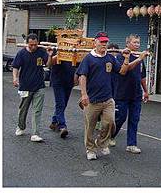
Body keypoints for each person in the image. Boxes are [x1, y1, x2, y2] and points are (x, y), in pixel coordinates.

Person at [76, 32, 130, 160]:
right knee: (90, 127)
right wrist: (83, 94)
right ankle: (90, 149)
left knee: (110, 122)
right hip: (92, 100)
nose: (104, 45)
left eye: (106, 42)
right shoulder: (88, 58)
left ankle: (101, 142)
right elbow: (82, 76)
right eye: (101, 42)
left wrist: (126, 59)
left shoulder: (110, 58)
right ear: (95, 42)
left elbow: (122, 71)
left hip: (108, 99)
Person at [110, 34, 149, 153]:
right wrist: (139, 59)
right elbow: (125, 69)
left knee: (134, 119)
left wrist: (146, 91)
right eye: (135, 42)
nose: (137, 44)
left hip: (136, 94)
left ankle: (131, 144)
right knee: (120, 117)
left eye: (138, 42)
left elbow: (142, 76)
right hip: (122, 93)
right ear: (128, 43)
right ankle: (110, 135)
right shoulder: (123, 56)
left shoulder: (139, 58)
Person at [12, 33, 53, 142]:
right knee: (23, 109)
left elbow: (48, 65)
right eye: (31, 45)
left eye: (35, 44)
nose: (33, 47)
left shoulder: (41, 52)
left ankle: (35, 133)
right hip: (25, 86)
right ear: (27, 44)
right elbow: (15, 67)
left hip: (39, 86)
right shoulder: (21, 53)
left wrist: (49, 55)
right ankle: (20, 127)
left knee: (37, 111)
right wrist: (15, 78)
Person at [48, 49, 77, 138]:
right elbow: (49, 64)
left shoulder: (75, 51)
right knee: (60, 103)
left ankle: (54, 121)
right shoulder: (56, 49)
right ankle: (62, 126)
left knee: (64, 103)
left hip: (69, 81)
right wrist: (53, 55)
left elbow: (79, 66)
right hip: (58, 81)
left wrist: (77, 77)